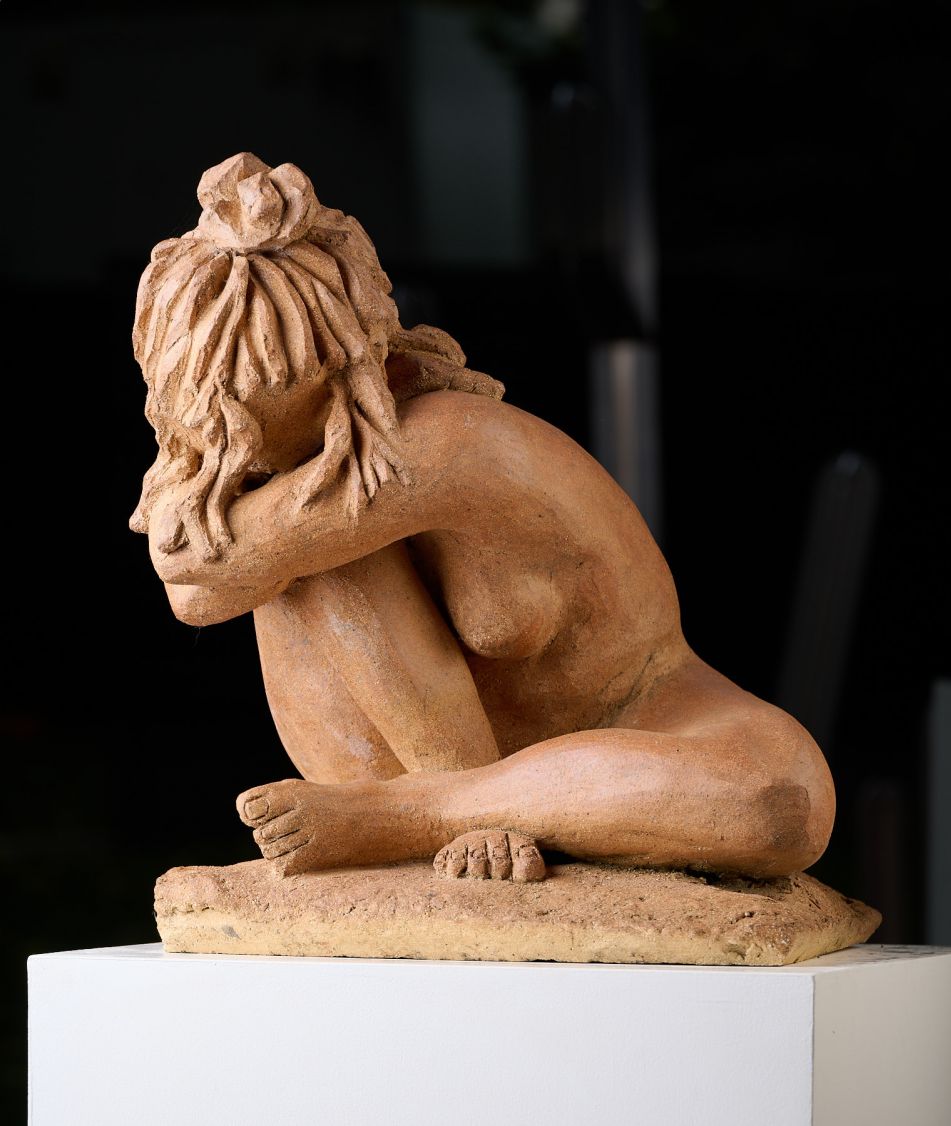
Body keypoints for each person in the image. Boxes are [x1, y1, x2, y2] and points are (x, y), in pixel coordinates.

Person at [133, 154, 835, 883]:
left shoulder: (449, 443)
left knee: (780, 801)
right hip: (414, 758)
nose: (236, 440)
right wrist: (224, 473)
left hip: (645, 734)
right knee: (311, 533)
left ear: (347, 360)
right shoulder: (293, 469)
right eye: (213, 413)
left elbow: (193, 560)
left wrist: (229, 500)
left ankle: (421, 814)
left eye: (265, 396)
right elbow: (193, 589)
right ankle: (453, 808)